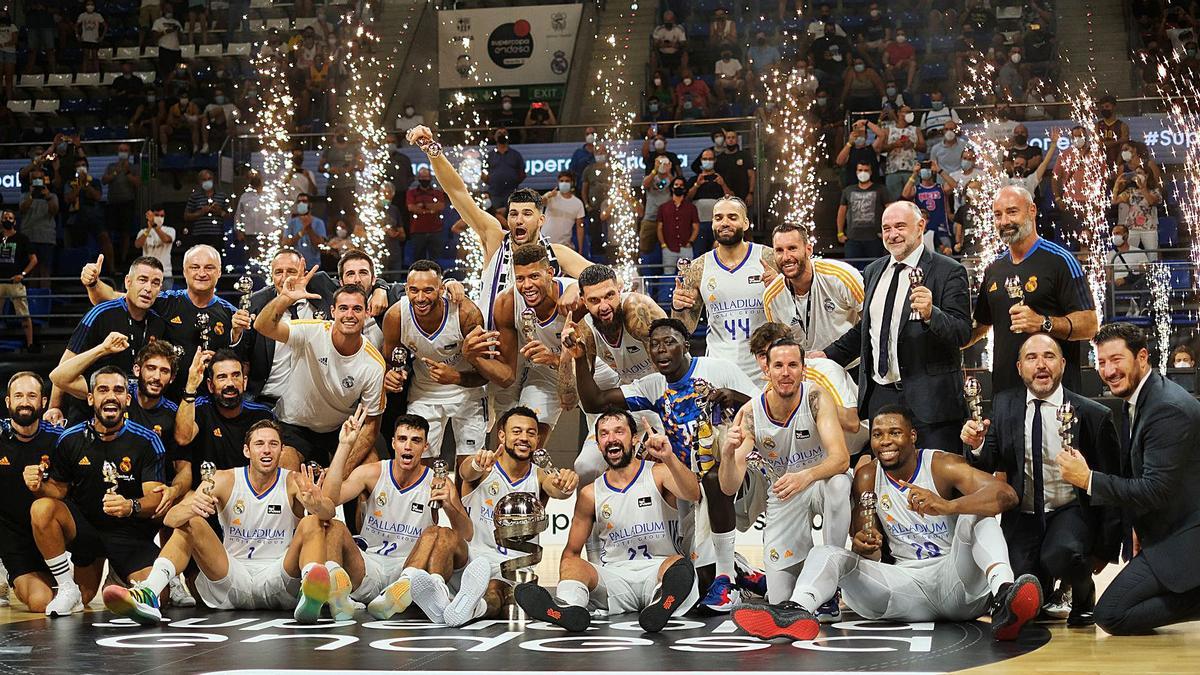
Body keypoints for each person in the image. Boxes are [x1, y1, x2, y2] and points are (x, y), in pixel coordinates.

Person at [731, 405, 1042, 642]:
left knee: (978, 516)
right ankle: (795, 610)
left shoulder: (941, 464)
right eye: (878, 434)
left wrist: (948, 506)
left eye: (894, 433)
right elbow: (864, 537)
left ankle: (1003, 596)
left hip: (956, 581)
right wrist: (865, 543)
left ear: (912, 436)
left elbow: (1006, 495)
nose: (885, 442)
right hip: (904, 587)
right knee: (828, 553)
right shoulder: (867, 475)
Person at [572, 318, 756, 612]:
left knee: (711, 479)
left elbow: (765, 409)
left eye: (669, 342)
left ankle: (728, 581)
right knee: (695, 578)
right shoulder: (653, 386)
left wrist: (736, 397)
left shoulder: (718, 368)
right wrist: (580, 360)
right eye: (654, 344)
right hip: (687, 482)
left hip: (738, 469)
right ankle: (744, 574)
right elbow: (595, 402)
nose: (661, 350)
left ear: (686, 345)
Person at [102, 420, 335, 625]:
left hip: (279, 578)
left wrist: (316, 505)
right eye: (259, 444)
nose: (267, 450)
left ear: (281, 450)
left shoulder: (294, 481)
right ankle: (149, 594)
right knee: (190, 522)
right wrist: (190, 507)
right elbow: (171, 518)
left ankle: (311, 594)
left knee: (314, 522)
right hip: (233, 576)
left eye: (273, 444)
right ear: (247, 450)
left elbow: (330, 512)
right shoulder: (223, 479)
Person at [962, 334, 1121, 627]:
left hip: (1070, 510)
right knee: (1021, 584)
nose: (1041, 365)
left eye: (1049, 356)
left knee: (1062, 555)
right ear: (1019, 366)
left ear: (1062, 364)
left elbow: (1109, 487)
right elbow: (988, 462)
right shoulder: (1004, 404)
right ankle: (1048, 589)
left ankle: (1083, 593)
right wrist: (976, 445)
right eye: (1032, 358)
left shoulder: (1093, 414)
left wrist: (1104, 551)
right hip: (1023, 514)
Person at [1056, 323, 1200, 634]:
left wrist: (1088, 478)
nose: (1108, 370)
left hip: (1186, 538)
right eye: (1102, 362)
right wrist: (1137, 524)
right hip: (1166, 531)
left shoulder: (1167, 409)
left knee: (1110, 615)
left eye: (1116, 359)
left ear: (1142, 357)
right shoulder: (1144, 398)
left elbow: (1154, 490)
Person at [514, 409, 700, 633]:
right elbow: (572, 552)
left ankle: (663, 605)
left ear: (634, 439)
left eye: (619, 432)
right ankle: (566, 608)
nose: (611, 438)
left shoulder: (659, 473)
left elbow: (693, 494)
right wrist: (572, 576)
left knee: (678, 565)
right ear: (599, 445)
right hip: (614, 578)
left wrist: (669, 457)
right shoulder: (591, 493)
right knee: (572, 563)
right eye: (604, 434)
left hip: (657, 572)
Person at [817, 201, 972, 451]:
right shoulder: (873, 271)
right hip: (882, 397)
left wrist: (932, 314)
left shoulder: (948, 271)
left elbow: (963, 332)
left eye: (900, 226)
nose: (893, 234)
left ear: (920, 226)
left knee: (937, 481)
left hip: (932, 404)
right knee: (889, 483)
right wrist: (826, 355)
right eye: (886, 228)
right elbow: (866, 330)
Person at [408, 125, 590, 330]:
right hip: (493, 348)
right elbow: (458, 192)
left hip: (541, 352)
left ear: (541, 220)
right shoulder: (495, 238)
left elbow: (607, 280)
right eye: (513, 214)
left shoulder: (557, 253)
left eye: (527, 214)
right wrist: (433, 151)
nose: (519, 220)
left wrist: (576, 286)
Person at [719, 339, 851, 616]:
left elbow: (840, 459)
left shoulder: (816, 398)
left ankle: (831, 585)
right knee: (779, 602)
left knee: (839, 483)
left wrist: (806, 476)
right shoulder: (751, 413)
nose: (785, 372)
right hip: (783, 493)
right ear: (766, 370)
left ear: (803, 369)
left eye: (793, 365)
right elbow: (729, 486)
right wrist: (729, 454)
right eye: (778, 365)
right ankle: (793, 582)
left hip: (818, 482)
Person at [26, 367, 166, 617]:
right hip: (86, 532)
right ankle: (67, 587)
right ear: (91, 398)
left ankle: (117, 572)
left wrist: (130, 506)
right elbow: (58, 490)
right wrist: (38, 485)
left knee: (160, 597)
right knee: (42, 508)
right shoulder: (70, 439)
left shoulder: (146, 440)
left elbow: (155, 498)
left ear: (127, 399)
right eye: (103, 390)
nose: (110, 396)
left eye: (118, 390)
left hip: (129, 533)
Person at [320, 412, 474, 622]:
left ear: (425, 446)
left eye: (416, 440)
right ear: (393, 443)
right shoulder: (372, 473)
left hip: (407, 569)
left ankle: (396, 595)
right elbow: (329, 500)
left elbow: (466, 534)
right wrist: (345, 446)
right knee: (333, 526)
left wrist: (449, 505)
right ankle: (339, 597)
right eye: (402, 439)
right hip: (369, 566)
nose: (408, 446)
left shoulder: (438, 482)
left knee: (436, 532)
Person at [449, 406, 580, 627]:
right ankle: (456, 598)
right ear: (502, 435)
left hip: (514, 567)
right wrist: (476, 463)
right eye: (516, 431)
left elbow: (557, 489)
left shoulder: (539, 475)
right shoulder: (485, 467)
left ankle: (468, 608)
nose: (524, 438)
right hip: (475, 562)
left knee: (499, 594)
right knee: (494, 588)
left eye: (530, 433)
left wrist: (567, 484)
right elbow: (465, 472)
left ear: (538, 439)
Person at [967, 185, 1098, 396]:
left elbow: (1090, 325)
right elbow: (980, 326)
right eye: (997, 215)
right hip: (1006, 392)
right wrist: (939, 325)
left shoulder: (1061, 261)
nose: (1004, 222)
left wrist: (1043, 323)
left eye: (1012, 212)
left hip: (1055, 394)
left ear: (1032, 211)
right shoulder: (993, 268)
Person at [82, 245, 249, 402]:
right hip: (166, 400)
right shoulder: (165, 301)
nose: (202, 273)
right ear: (184, 271)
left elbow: (242, 365)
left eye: (209, 267)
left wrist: (236, 335)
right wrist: (93, 283)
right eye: (195, 267)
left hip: (212, 403)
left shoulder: (232, 314)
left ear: (219, 272)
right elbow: (110, 297)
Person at [252, 274, 384, 470]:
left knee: (369, 472)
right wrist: (284, 299)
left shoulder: (374, 364)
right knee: (285, 479)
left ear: (366, 314)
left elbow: (371, 426)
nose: (350, 315)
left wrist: (338, 473)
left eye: (357, 309)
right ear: (332, 311)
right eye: (343, 308)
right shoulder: (311, 331)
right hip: (294, 425)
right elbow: (262, 326)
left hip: (341, 429)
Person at [382, 260, 506, 465]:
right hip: (424, 394)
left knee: (471, 468)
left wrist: (455, 377)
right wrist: (391, 374)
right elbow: (389, 361)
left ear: (441, 289)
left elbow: (485, 373)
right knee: (418, 466)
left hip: (467, 393)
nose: (420, 298)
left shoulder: (466, 314)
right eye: (414, 290)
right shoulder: (395, 316)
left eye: (428, 290)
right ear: (406, 289)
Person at [671, 196, 777, 385]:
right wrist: (677, 307)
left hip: (764, 370)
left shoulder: (768, 257)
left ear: (745, 223)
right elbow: (684, 328)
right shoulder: (698, 267)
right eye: (718, 218)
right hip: (718, 372)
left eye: (732, 217)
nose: (724, 223)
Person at [493, 244, 578, 444]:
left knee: (589, 464)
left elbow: (589, 358)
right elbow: (507, 373)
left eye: (534, 276)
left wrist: (555, 358)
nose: (527, 285)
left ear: (550, 273)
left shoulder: (575, 297)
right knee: (520, 437)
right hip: (545, 374)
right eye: (520, 278)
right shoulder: (507, 303)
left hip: (589, 371)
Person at [0, 372, 63, 612]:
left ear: (44, 402)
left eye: (31, 395)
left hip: (53, 534)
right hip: (14, 538)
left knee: (77, 599)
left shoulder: (60, 439)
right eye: (18, 395)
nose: (24, 401)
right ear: (8, 402)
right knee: (41, 603)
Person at [175, 348, 275, 475]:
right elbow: (183, 438)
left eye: (235, 375)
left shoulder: (262, 416)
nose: (230, 383)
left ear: (245, 382)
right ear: (211, 386)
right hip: (205, 492)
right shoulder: (200, 408)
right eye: (222, 377)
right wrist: (191, 385)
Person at [763, 224, 863, 351]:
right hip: (805, 368)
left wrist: (835, 353)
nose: (786, 257)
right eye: (779, 250)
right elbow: (780, 347)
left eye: (792, 248)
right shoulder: (771, 297)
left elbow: (872, 322)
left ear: (808, 249)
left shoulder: (841, 276)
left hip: (850, 365)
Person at [837, 161, 888, 264]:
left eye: (866, 170)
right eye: (860, 170)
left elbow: (890, 210)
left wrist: (886, 231)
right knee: (852, 271)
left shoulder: (880, 190)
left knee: (875, 270)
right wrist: (840, 233)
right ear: (856, 172)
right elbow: (841, 213)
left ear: (871, 172)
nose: (863, 173)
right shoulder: (848, 190)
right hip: (852, 239)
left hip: (874, 238)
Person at [903, 161, 957, 255]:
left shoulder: (940, 187)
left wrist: (939, 170)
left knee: (947, 258)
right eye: (923, 167)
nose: (925, 170)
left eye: (928, 167)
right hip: (924, 232)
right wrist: (914, 174)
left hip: (941, 229)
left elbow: (954, 186)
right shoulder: (917, 189)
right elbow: (905, 194)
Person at [0, 211, 36, 350]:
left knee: (24, 315)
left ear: (15, 222)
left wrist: (22, 274)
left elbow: (34, 259)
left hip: (15, 283)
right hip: (0, 282)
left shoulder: (22, 239)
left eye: (10, 218)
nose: (7, 220)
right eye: (5, 218)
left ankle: (30, 344)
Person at [17, 168, 59, 289]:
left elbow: (54, 210)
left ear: (44, 180)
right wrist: (31, 195)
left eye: (39, 178)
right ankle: (33, 300)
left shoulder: (52, 196)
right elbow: (22, 209)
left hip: (47, 238)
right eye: (34, 179)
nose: (37, 181)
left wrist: (48, 196)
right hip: (29, 238)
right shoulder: (25, 195)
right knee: (32, 271)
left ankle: (45, 300)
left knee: (45, 270)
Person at [102, 144, 142, 269]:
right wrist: (115, 173)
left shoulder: (134, 167)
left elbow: (138, 183)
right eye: (121, 150)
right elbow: (104, 180)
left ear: (129, 153)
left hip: (127, 203)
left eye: (125, 151)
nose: (123, 153)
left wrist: (127, 173)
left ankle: (124, 259)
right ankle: (112, 261)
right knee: (110, 232)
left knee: (126, 232)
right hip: (112, 203)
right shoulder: (111, 166)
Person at [1111, 166, 1162, 261]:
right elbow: (1114, 201)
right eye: (1136, 173)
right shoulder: (1130, 191)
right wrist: (1117, 184)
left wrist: (1142, 188)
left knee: (1152, 256)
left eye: (1140, 173)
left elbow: (1151, 201)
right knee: (1128, 256)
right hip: (1132, 228)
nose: (1137, 175)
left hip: (1149, 228)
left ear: (1146, 175)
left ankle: (1151, 274)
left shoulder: (1155, 191)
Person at [876, 105, 924, 200]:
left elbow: (924, 147)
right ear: (898, 113)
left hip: (911, 170)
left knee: (914, 200)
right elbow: (880, 148)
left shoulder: (916, 130)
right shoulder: (888, 130)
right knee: (894, 201)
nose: (909, 114)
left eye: (910, 112)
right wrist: (894, 145)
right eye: (906, 112)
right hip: (893, 170)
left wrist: (913, 145)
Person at [657, 176, 699, 280]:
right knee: (668, 276)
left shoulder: (691, 207)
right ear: (672, 188)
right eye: (676, 185)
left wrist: (690, 242)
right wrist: (663, 245)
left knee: (688, 277)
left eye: (681, 185)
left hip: (686, 247)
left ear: (685, 189)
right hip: (669, 248)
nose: (678, 187)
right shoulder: (663, 207)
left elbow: (696, 227)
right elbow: (659, 228)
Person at [406, 168, 447, 262]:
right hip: (417, 230)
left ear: (430, 178)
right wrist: (431, 209)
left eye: (426, 177)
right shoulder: (411, 192)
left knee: (436, 259)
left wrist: (422, 206)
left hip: (435, 230)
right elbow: (411, 207)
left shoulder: (437, 192)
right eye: (422, 177)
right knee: (418, 260)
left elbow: (440, 206)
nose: (424, 179)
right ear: (418, 178)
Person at [182, 171, 230, 251]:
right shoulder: (194, 197)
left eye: (209, 179)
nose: (207, 181)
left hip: (217, 235)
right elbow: (186, 216)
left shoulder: (222, 196)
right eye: (204, 179)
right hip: (199, 236)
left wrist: (220, 212)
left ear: (213, 180)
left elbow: (230, 216)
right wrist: (201, 212)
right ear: (199, 182)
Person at [542, 173, 586, 251]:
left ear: (572, 183)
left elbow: (580, 227)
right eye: (561, 181)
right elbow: (538, 203)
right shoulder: (551, 196)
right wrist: (548, 196)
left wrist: (580, 249)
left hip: (564, 246)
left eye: (567, 181)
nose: (564, 183)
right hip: (544, 243)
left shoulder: (578, 203)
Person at [484, 128, 526, 210]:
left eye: (504, 133)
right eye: (499, 133)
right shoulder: (490, 156)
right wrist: (494, 182)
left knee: (512, 216)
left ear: (508, 136)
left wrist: (513, 182)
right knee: (495, 218)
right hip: (494, 193)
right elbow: (484, 174)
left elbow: (522, 174)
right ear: (495, 137)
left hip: (511, 193)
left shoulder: (516, 155)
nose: (502, 134)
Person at [283, 193, 327, 269]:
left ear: (310, 204)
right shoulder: (291, 223)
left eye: (304, 201)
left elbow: (320, 247)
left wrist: (309, 229)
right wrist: (300, 234)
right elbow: (285, 244)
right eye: (299, 202)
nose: (301, 204)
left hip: (314, 266)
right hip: (294, 265)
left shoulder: (318, 223)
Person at [135, 208, 175, 288]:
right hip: (146, 274)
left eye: (162, 215)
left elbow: (166, 239)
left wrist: (154, 226)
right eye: (157, 215)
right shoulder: (143, 231)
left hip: (165, 275)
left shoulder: (170, 230)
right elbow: (137, 244)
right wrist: (149, 228)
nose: (159, 217)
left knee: (166, 300)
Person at [715, 130, 756, 207]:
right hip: (725, 197)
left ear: (737, 139)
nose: (731, 140)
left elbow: (752, 175)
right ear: (725, 140)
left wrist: (750, 193)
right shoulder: (720, 159)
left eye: (733, 137)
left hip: (743, 196)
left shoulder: (745, 155)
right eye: (728, 138)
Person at [1108, 223, 1151, 291]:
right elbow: (1108, 277)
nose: (1115, 236)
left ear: (1126, 235)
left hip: (1133, 283)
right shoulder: (1109, 255)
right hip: (1116, 286)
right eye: (1113, 234)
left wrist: (1126, 280)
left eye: (1118, 233)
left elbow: (1145, 272)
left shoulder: (1138, 252)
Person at [652, 10, 688, 74]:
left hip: (676, 52)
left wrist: (675, 45)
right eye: (666, 20)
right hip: (662, 53)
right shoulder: (658, 29)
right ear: (663, 20)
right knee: (653, 55)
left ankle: (684, 73)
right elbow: (655, 43)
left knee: (685, 54)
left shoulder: (679, 29)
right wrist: (665, 45)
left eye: (670, 20)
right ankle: (654, 74)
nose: (668, 22)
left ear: (673, 20)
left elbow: (683, 43)